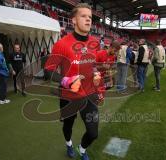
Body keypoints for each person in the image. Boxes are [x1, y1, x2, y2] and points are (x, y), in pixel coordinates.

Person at [44, 3, 101, 160]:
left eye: (90, 17)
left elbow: (93, 64)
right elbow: (48, 71)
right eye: (83, 16)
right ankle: (69, 144)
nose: (88, 20)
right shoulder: (62, 44)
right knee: (68, 125)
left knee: (93, 133)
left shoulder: (95, 43)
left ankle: (81, 149)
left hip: (89, 95)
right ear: (73, 20)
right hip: (69, 96)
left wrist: (96, 73)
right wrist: (65, 80)